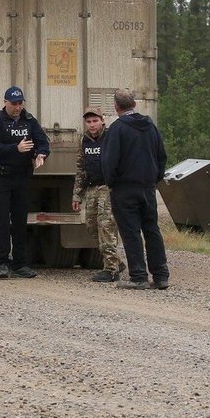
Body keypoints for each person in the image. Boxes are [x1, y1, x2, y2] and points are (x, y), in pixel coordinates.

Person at [100, 89, 170, 290]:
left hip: (124, 188)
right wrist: (155, 178)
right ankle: (161, 275)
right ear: (134, 104)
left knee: (131, 232)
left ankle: (138, 276)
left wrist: (111, 183)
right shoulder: (150, 126)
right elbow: (161, 155)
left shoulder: (117, 129)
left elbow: (109, 161)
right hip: (147, 187)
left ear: (116, 106)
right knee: (152, 229)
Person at [0, 85, 50, 279]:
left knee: (20, 223)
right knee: (2, 222)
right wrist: (16, 148)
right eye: (13, 103)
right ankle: (2, 262)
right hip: (0, 178)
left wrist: (41, 154)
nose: (17, 107)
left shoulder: (29, 121)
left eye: (20, 103)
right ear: (5, 102)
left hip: (21, 178)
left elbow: (42, 141)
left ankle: (20, 263)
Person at [71, 107, 124, 282]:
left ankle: (111, 269)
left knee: (105, 224)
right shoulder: (84, 141)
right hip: (92, 187)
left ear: (102, 121)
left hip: (108, 188)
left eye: (95, 121)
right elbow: (81, 169)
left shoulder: (110, 138)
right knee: (91, 225)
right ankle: (116, 261)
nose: (92, 125)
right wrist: (77, 195)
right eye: (88, 121)